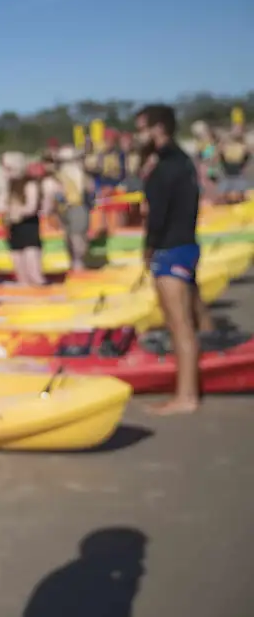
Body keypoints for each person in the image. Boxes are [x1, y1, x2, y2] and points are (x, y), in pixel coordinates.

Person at [135, 104, 211, 415]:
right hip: (187, 244)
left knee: (178, 326)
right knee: (193, 317)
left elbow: (157, 217)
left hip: (170, 249)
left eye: (141, 128)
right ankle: (209, 362)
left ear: (157, 129)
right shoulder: (183, 160)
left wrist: (148, 249)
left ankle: (186, 397)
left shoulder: (163, 169)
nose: (137, 135)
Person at [0, 152, 45, 285]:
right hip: (13, 228)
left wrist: (16, 211)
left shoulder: (30, 184)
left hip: (28, 227)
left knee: (34, 271)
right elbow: (1, 202)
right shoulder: (10, 185)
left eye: (7, 169)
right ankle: (26, 292)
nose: (4, 172)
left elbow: (31, 207)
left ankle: (42, 291)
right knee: (20, 270)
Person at [53, 146, 94, 271]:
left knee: (77, 237)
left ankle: (78, 263)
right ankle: (76, 263)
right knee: (70, 237)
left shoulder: (78, 173)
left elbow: (89, 188)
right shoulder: (61, 173)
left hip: (77, 207)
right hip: (65, 209)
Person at [216, 124, 250, 204]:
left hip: (237, 173)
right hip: (227, 173)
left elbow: (246, 158)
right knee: (224, 195)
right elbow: (219, 156)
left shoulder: (243, 146)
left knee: (239, 195)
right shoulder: (225, 145)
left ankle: (239, 199)